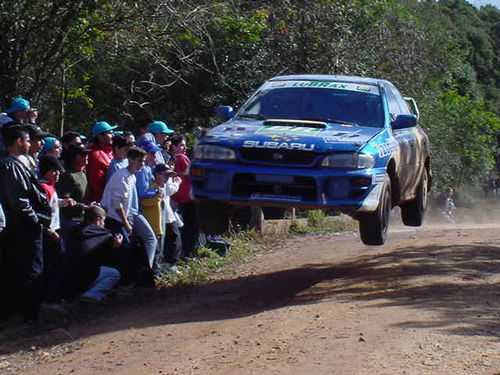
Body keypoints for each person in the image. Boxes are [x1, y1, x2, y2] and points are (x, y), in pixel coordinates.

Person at [0, 126, 51, 323]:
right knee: (30, 270)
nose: (30, 144)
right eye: (28, 140)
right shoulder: (9, 166)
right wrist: (36, 220)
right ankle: (29, 316)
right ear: (19, 142)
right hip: (23, 229)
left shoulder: (13, 163)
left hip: (21, 227)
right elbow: (18, 201)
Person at [101, 147, 158, 269]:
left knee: (129, 248)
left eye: (143, 161)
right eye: (139, 161)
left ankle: (142, 273)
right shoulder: (122, 176)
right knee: (124, 249)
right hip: (113, 219)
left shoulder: (132, 176)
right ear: (130, 160)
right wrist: (126, 223)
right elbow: (117, 204)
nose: (142, 164)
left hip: (123, 217)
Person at [62, 205, 122, 302]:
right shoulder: (103, 234)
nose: (103, 224)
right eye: (103, 220)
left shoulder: (74, 229)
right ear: (98, 219)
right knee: (114, 274)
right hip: (84, 277)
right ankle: (92, 295)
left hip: (65, 277)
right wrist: (116, 245)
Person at [171, 134, 199, 259]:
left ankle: (186, 253)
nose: (185, 148)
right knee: (192, 227)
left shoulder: (169, 159)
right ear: (173, 146)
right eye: (182, 145)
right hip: (188, 198)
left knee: (184, 228)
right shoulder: (181, 158)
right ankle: (189, 254)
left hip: (177, 198)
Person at [56, 144, 89, 226]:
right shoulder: (67, 176)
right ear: (73, 157)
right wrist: (83, 207)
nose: (86, 157)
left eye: (87, 154)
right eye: (82, 154)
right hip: (70, 221)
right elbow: (64, 201)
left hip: (82, 218)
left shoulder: (83, 173)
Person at [87, 121, 116, 202]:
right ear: (100, 136)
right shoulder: (95, 155)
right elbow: (96, 184)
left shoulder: (110, 152)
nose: (113, 135)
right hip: (103, 201)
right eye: (110, 133)